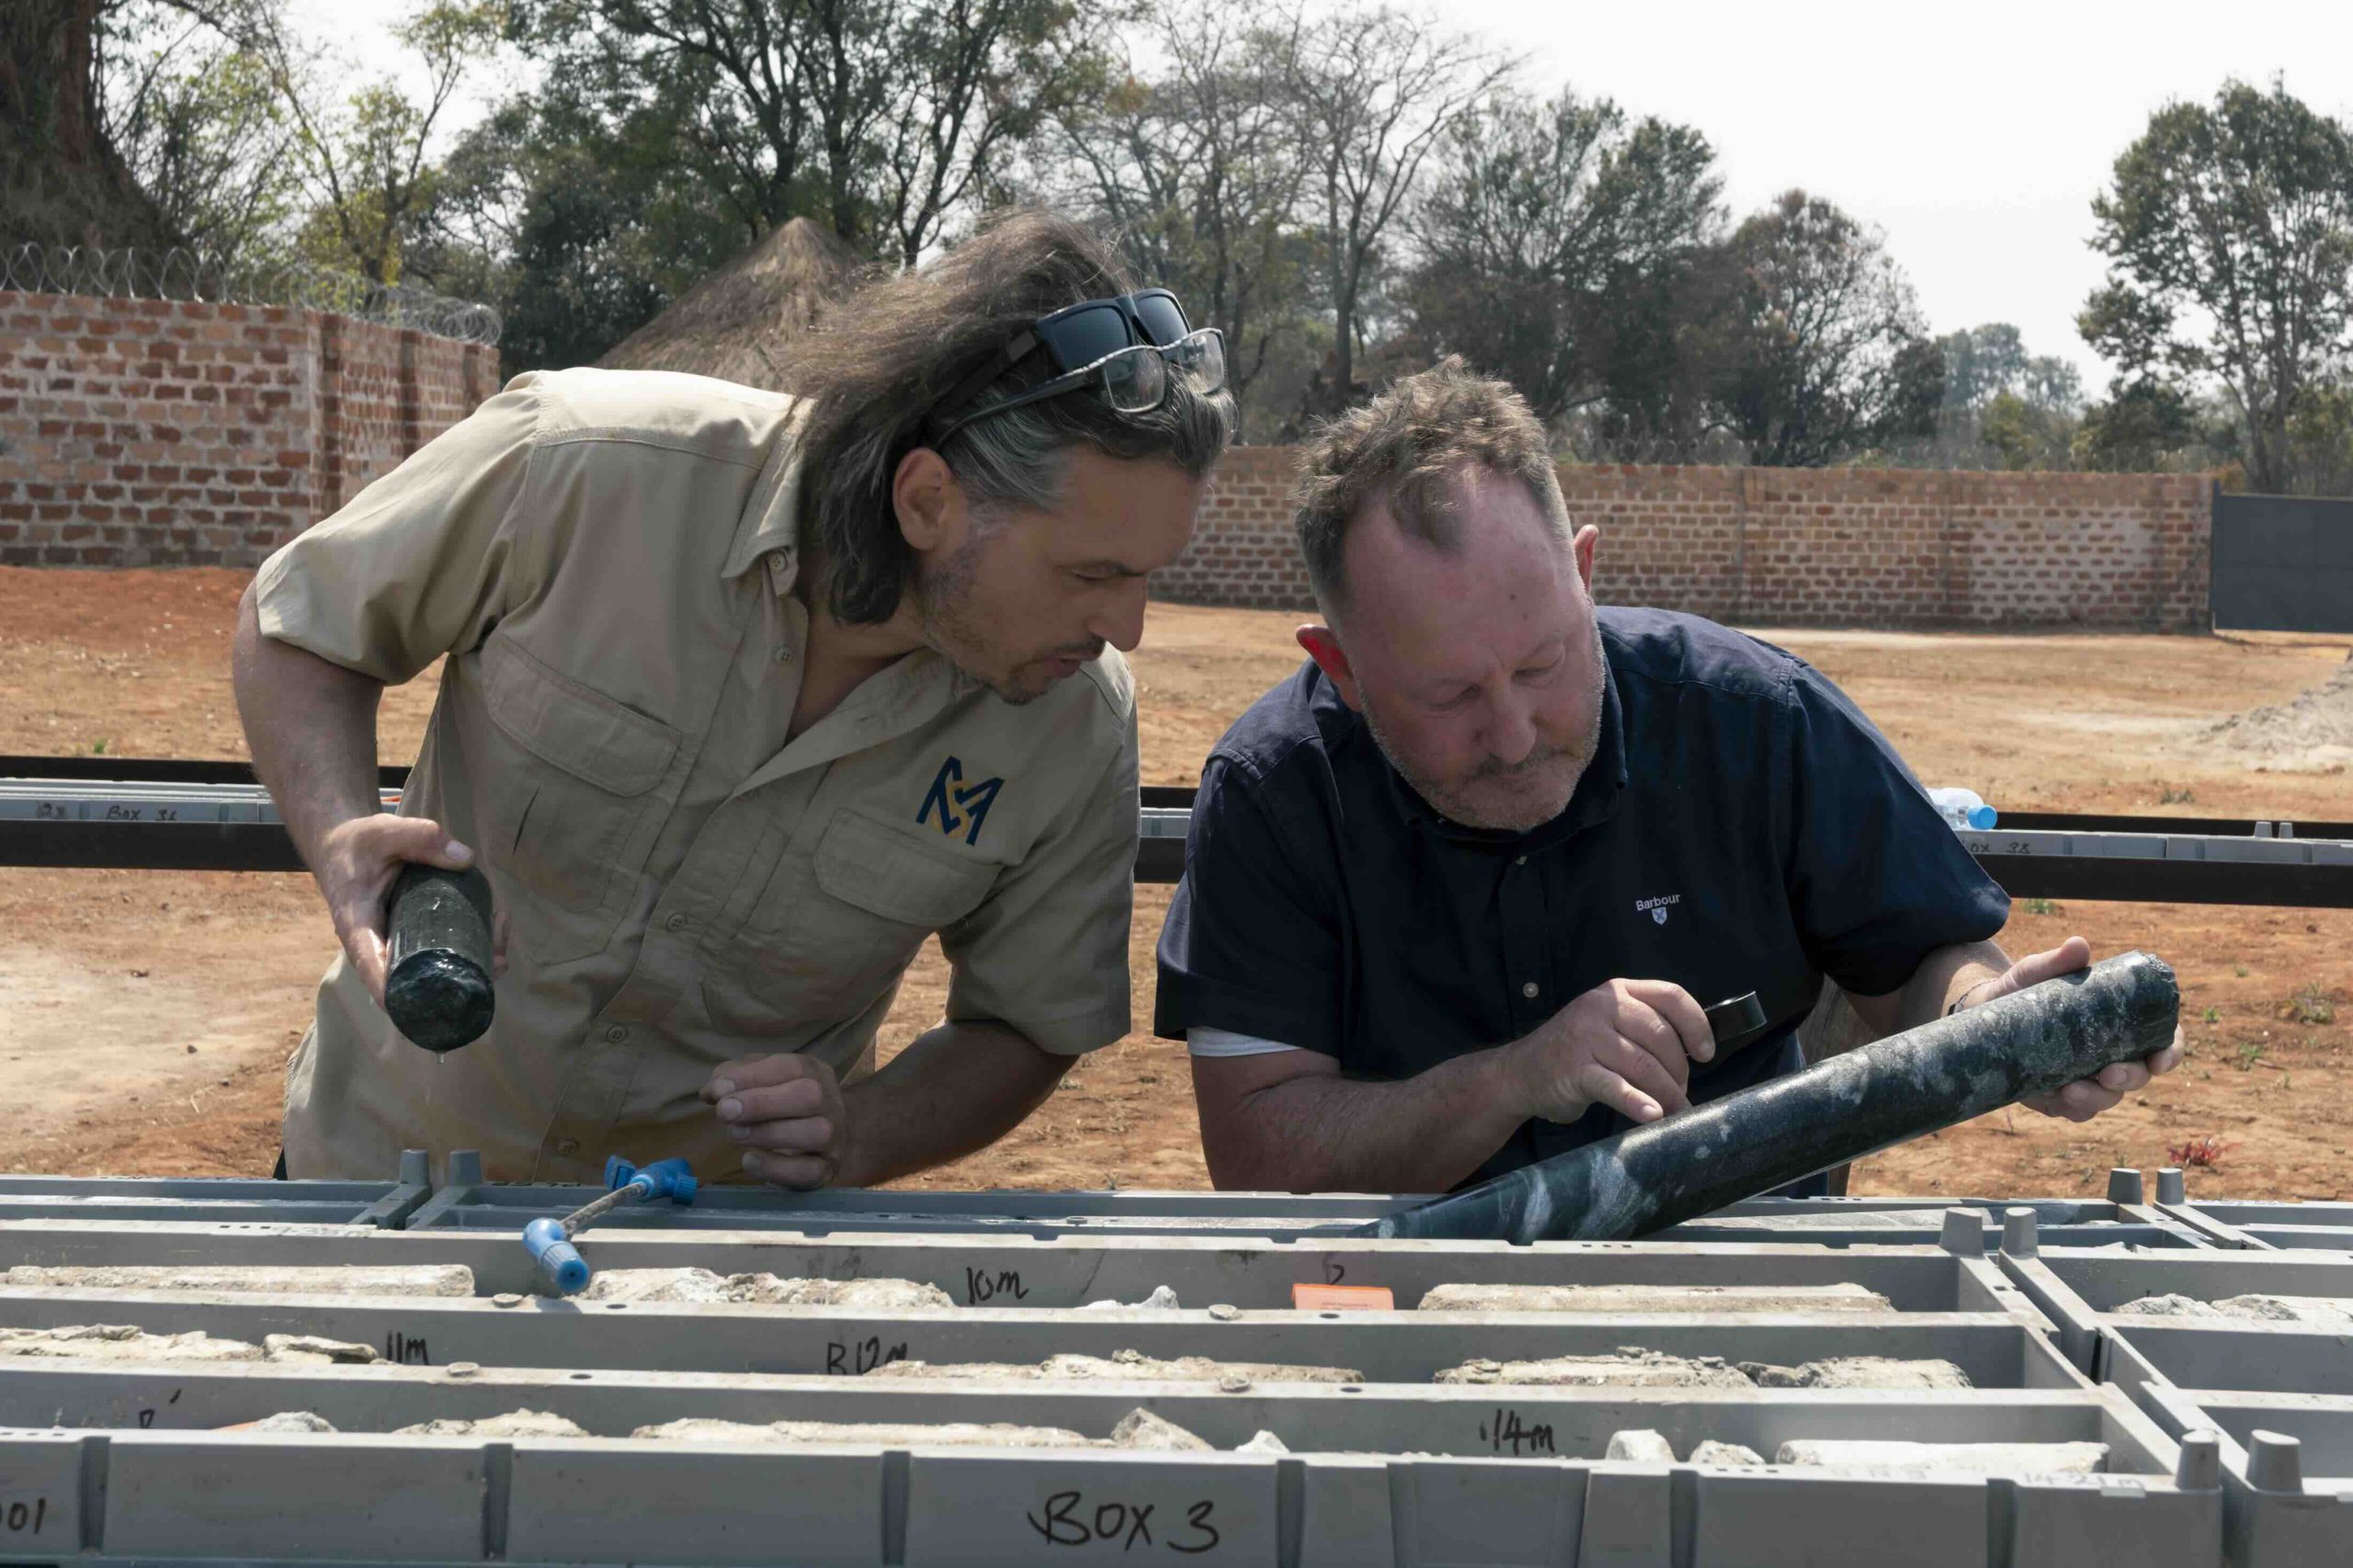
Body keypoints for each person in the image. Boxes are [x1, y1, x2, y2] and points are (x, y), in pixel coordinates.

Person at [234, 211, 1233, 1185]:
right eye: (1093, 573)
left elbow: (1028, 1021)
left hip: (710, 1264)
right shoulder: (578, 469)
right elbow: (301, 626)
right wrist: (337, 831)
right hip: (372, 1185)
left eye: (1147, 574)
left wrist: (865, 1130)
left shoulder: (1076, 724)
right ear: (929, 500)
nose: (1128, 625)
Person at [1156, 358, 2178, 1195]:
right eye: (1448, 696)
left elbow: (1919, 961)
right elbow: (1257, 1149)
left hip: (1741, 1276)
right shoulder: (1275, 790)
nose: (1513, 735)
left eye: (1543, 662)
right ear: (1340, 665)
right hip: (1401, 1295)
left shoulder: (1754, 718)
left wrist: (1989, 1024)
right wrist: (1515, 1078)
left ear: (1585, 573)